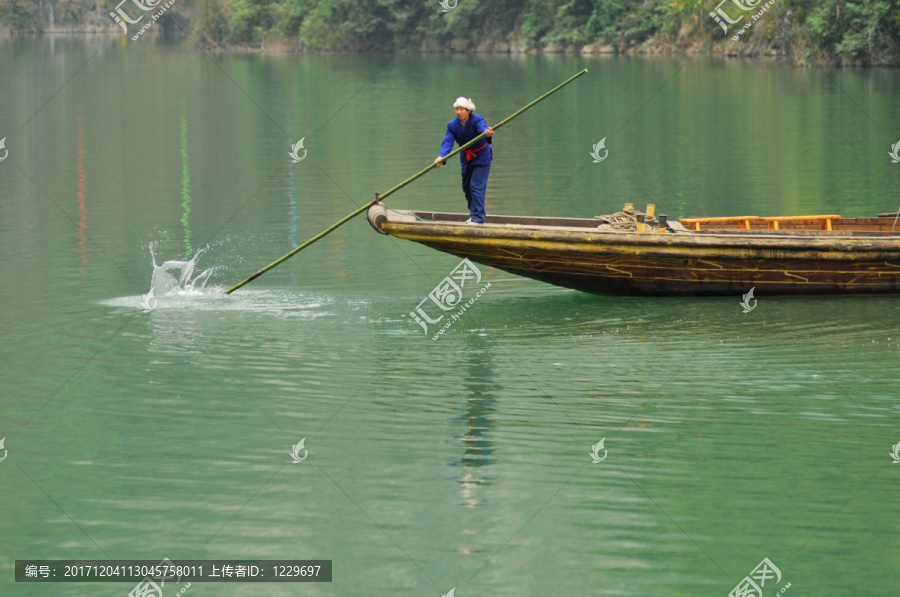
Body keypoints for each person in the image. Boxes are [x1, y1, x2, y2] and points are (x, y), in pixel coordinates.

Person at [434, 97, 494, 225]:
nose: (459, 112)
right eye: (456, 109)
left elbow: (482, 128)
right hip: (466, 158)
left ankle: (478, 219)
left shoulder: (477, 119)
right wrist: (441, 157)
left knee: (476, 187)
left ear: (468, 111)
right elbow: (447, 142)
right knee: (467, 187)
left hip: (482, 156)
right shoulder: (452, 125)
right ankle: (473, 215)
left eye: (461, 109)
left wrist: (486, 132)